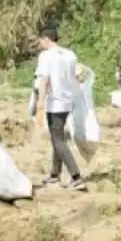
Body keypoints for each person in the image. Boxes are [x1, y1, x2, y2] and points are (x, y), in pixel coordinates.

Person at [34, 28, 86, 190]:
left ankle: (76, 175)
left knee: (57, 140)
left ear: (47, 39)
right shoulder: (69, 54)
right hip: (67, 101)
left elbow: (44, 79)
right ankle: (55, 174)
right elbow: (78, 75)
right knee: (58, 136)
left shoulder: (46, 56)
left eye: (41, 40)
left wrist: (40, 102)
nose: (40, 44)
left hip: (54, 102)